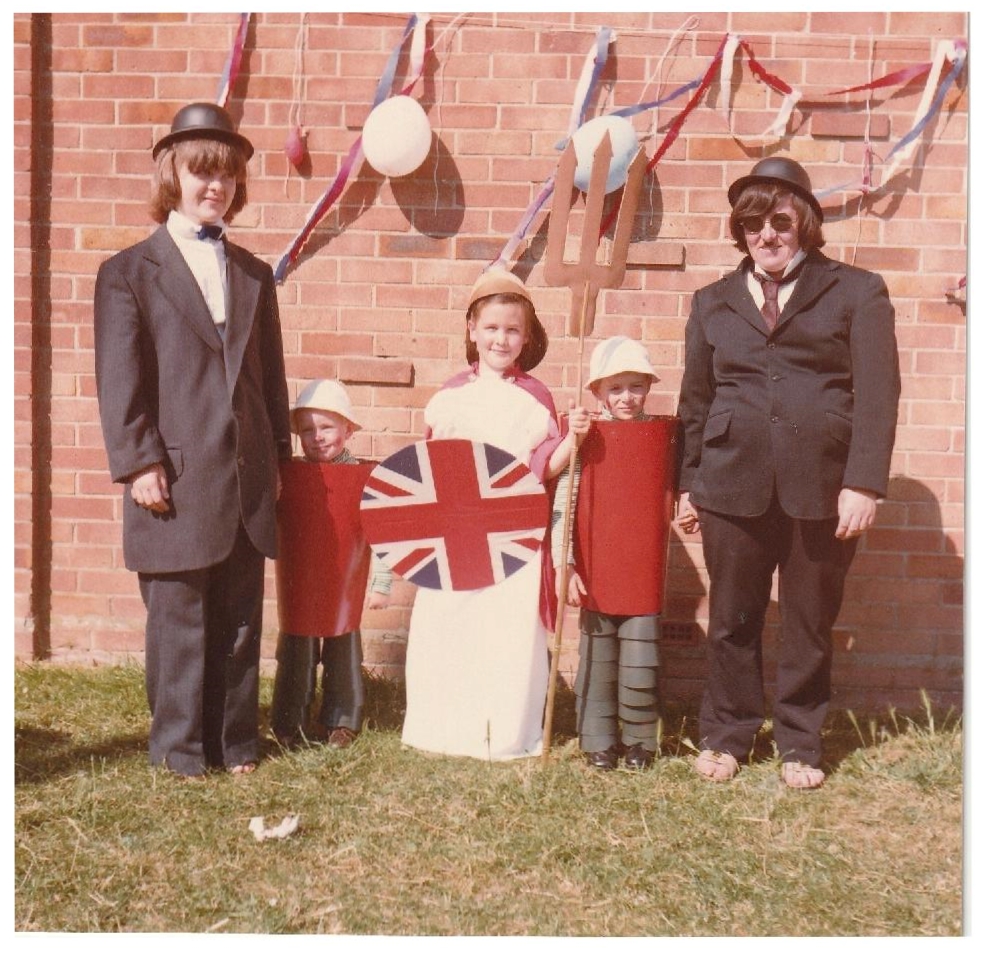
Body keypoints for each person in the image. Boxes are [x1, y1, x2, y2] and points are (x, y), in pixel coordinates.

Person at [676, 157, 900, 789]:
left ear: (803, 222)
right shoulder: (712, 302)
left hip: (824, 486)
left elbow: (879, 395)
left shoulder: (858, 291)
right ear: (740, 231)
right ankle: (726, 735)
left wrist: (863, 482)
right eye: (752, 225)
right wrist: (688, 484)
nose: (766, 236)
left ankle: (800, 743)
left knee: (807, 621)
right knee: (732, 619)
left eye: (779, 221)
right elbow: (696, 401)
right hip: (729, 483)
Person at [94, 103, 292, 779]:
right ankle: (179, 751)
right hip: (174, 472)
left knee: (239, 618)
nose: (216, 186)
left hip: (243, 474)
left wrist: (279, 464)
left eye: (229, 176)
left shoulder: (253, 274)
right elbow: (121, 379)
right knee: (179, 619)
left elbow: (270, 379)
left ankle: (235, 742)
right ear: (171, 175)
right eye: (202, 172)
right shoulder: (128, 272)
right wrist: (138, 461)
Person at [400, 269, 590, 760]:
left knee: (505, 628)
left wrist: (574, 439)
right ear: (471, 330)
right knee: (451, 622)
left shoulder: (535, 398)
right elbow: (433, 471)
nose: (500, 339)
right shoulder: (451, 397)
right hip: (457, 531)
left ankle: (500, 729)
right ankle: (443, 727)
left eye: (512, 330)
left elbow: (541, 468)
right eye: (491, 328)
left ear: (526, 337)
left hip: (512, 534)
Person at [552, 336, 665, 771]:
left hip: (641, 568)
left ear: (649, 388)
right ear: (597, 391)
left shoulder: (660, 434)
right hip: (597, 566)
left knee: (641, 656)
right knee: (597, 657)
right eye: (615, 388)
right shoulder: (585, 435)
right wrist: (565, 563)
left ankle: (640, 742)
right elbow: (564, 499)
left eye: (636, 386)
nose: (626, 397)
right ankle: (596, 739)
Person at [271, 379, 392, 750]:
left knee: (343, 646)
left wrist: (381, 584)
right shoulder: (288, 476)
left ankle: (342, 719)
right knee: (297, 646)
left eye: (326, 427)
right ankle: (290, 719)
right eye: (307, 430)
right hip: (300, 579)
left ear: (348, 429)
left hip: (345, 580)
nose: (317, 437)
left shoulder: (365, 476)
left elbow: (383, 530)